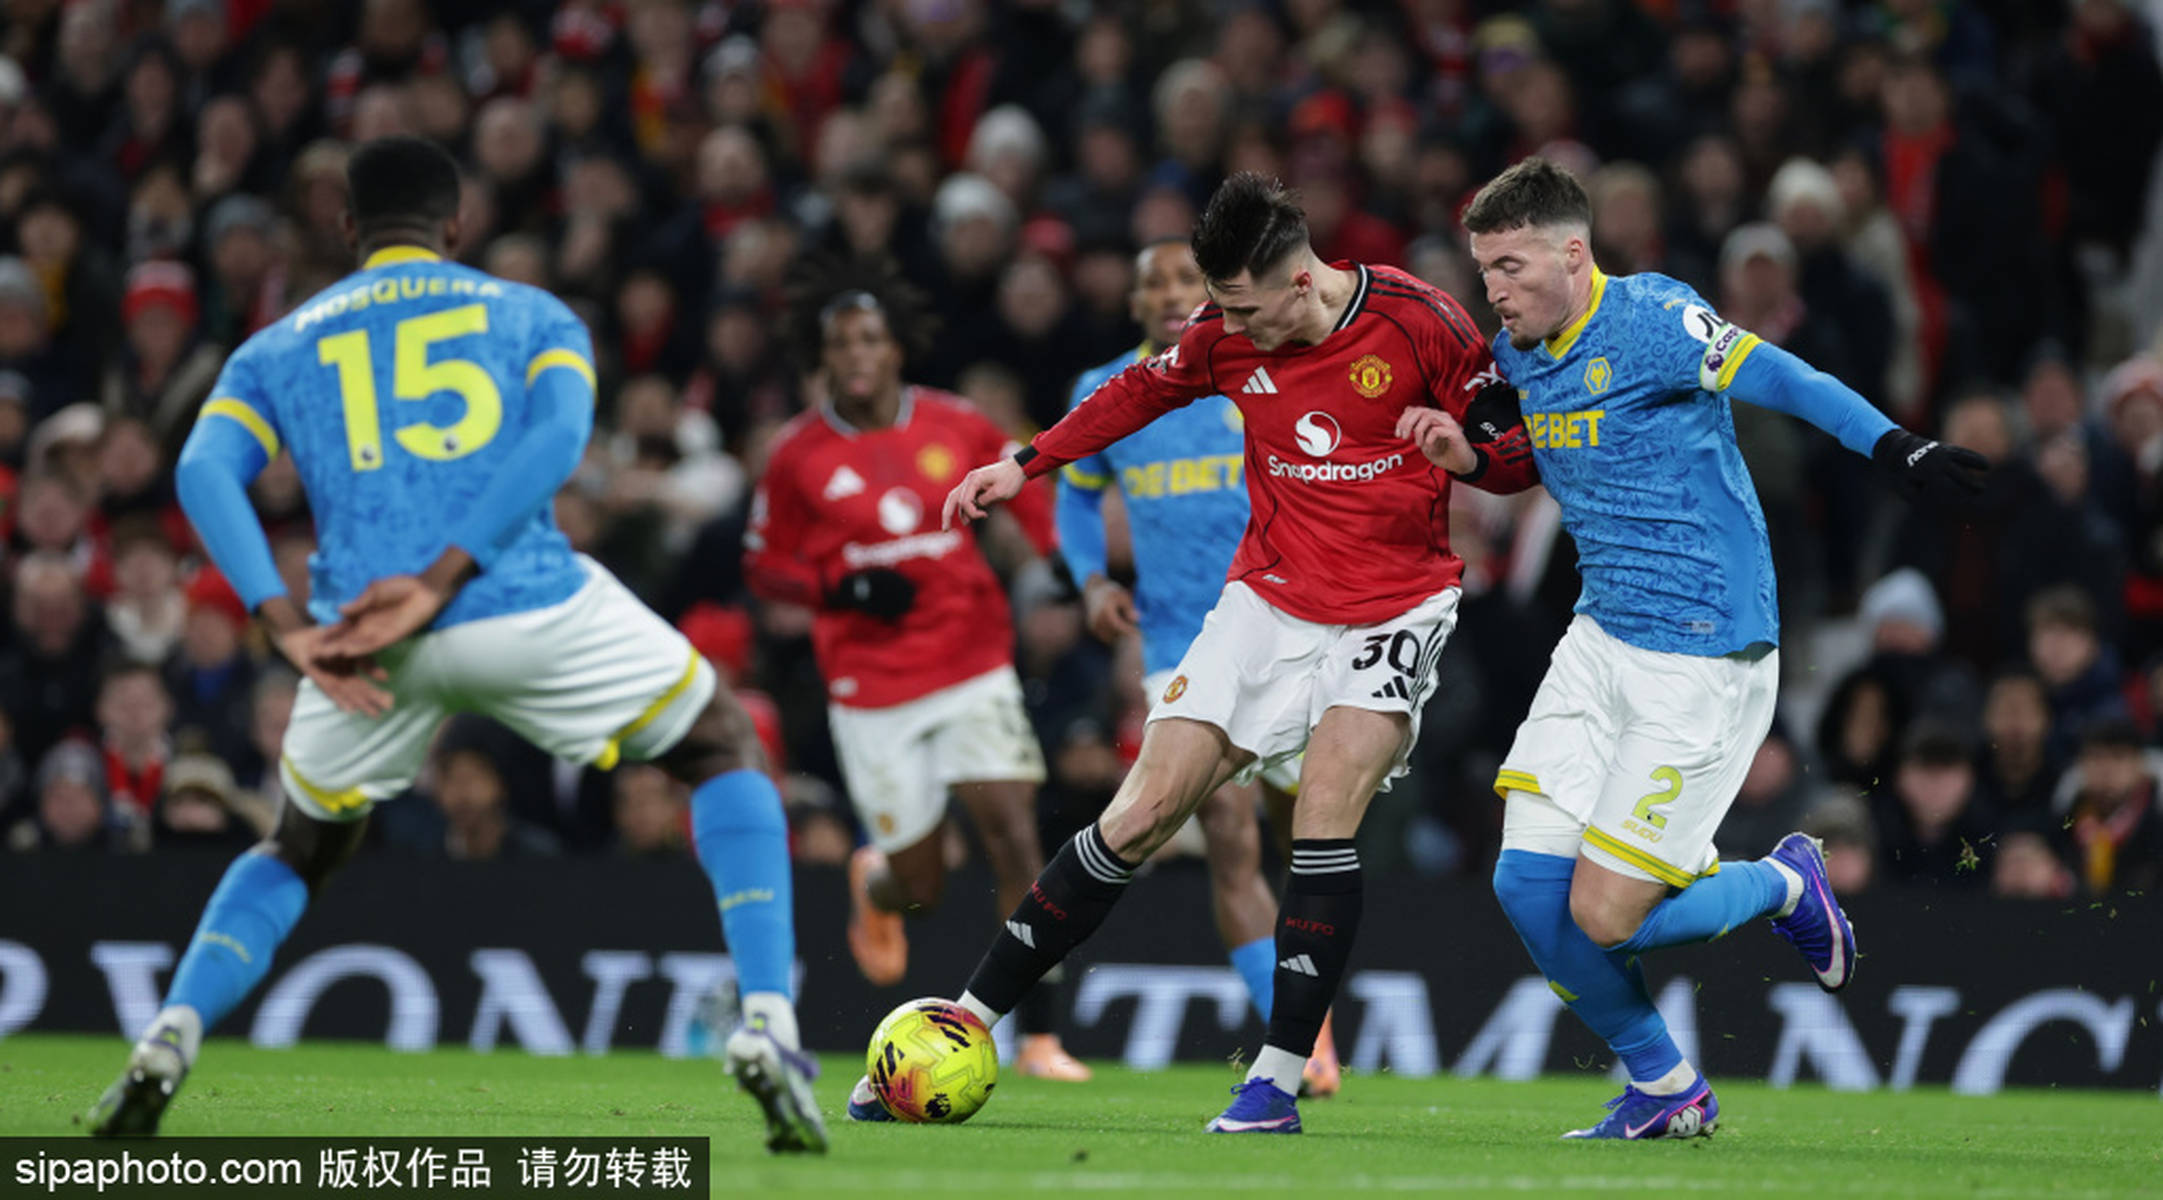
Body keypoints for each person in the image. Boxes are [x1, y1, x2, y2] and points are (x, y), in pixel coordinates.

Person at [90, 137, 825, 1155]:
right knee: (719, 745)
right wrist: (443, 576)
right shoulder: (531, 313)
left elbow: (202, 473)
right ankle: (769, 1023)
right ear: (458, 224)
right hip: (521, 603)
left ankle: (169, 1035)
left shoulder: (276, 344)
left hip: (360, 642)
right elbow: (559, 439)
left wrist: (283, 622)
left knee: (298, 846)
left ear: (347, 228)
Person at [933, 173, 1539, 1134]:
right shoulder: (1222, 331)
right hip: (1265, 602)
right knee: (1138, 814)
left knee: (1323, 813)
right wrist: (1023, 464)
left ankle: (1278, 1081)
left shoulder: (1420, 320)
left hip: (1393, 609)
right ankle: (960, 1025)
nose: (1228, 328)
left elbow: (1518, 451)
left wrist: (1466, 456)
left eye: (1245, 310)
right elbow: (1136, 392)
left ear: (1300, 281)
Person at [1453, 157, 1986, 1140]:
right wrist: (1466, 449)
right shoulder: (1517, 354)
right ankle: (1667, 1088)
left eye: (1510, 266)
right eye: (1484, 269)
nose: (1495, 289)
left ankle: (1784, 882)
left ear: (1572, 253)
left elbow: (1782, 375)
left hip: (1703, 649)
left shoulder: (1654, 317)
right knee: (1525, 887)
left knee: (1604, 915)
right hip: (1599, 636)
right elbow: (1515, 449)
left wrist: (1891, 443)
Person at [743, 252, 1089, 1083]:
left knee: (1013, 832)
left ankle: (1037, 1036)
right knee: (923, 885)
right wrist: (840, 586)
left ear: (895, 348)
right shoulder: (796, 454)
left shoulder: (954, 422)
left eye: (870, 339)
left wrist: (1059, 562)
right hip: (871, 686)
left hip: (971, 657)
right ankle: (877, 884)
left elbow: (1029, 487)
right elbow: (762, 565)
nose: (857, 355)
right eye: (841, 343)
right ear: (823, 358)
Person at [1049, 235, 1338, 1100]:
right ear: (1135, 302)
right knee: (1228, 835)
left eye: (1188, 278)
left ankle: (1303, 988)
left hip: (1291, 626)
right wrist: (1091, 579)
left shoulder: (1256, 365)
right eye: (1156, 283)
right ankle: (1298, 1036)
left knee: (1308, 829)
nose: (1173, 292)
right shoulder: (1107, 388)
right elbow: (1074, 494)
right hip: (1180, 644)